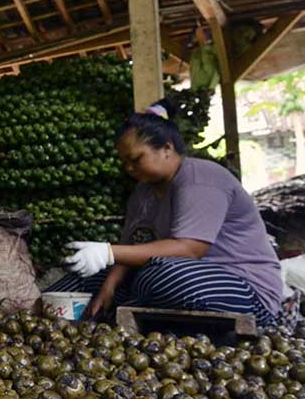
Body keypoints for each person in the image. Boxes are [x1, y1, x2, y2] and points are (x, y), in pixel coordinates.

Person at [50, 98, 281, 326]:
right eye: (125, 163)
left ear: (167, 148)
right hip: (165, 273)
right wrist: (108, 287)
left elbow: (189, 249)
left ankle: (124, 309)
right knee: (86, 280)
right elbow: (133, 246)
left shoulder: (200, 179)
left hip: (244, 289)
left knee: (160, 276)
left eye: (135, 159)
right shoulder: (143, 192)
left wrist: (108, 252)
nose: (129, 169)